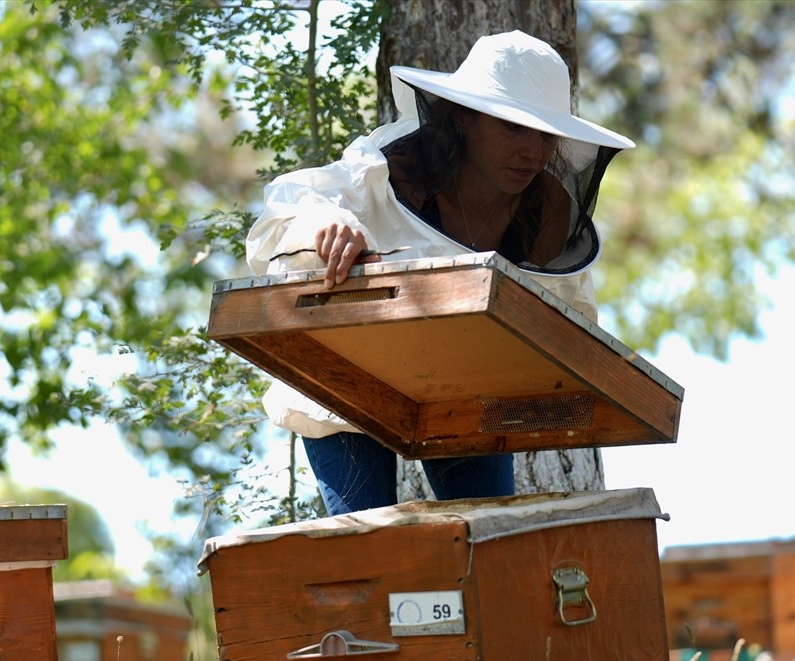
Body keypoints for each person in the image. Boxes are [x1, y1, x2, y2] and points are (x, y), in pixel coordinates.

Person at [244, 30, 635, 517]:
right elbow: (286, 212)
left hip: (463, 395)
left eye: (545, 133)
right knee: (365, 545)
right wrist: (326, 221)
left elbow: (572, 329)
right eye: (515, 127)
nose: (533, 153)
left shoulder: (549, 222)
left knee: (487, 539)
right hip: (349, 386)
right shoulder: (384, 170)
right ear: (464, 119)